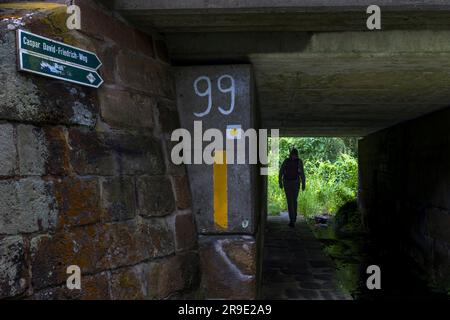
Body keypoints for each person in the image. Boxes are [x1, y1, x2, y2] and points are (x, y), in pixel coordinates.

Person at [279, 148, 306, 227]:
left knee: (292, 201)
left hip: (289, 182)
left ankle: (293, 219)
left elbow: (281, 172)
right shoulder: (298, 161)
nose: (293, 156)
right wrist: (303, 183)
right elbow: (302, 173)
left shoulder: (287, 161)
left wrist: (280, 182)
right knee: (292, 201)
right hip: (293, 182)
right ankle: (293, 219)